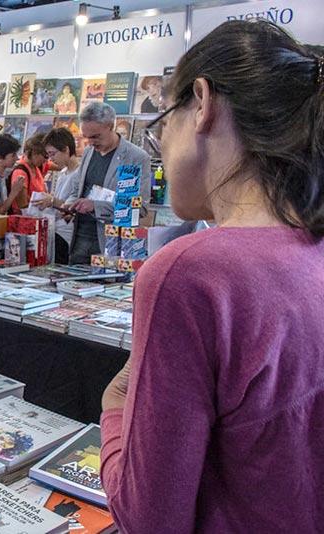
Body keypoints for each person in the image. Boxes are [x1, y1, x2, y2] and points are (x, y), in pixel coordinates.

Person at [100, 20, 324, 533]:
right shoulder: (310, 248)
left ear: (200, 103)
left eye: (162, 123)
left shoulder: (189, 274)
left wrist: (114, 410)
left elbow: (149, 518)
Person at [63, 102, 151, 264]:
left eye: (95, 136)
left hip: (112, 244)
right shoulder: (89, 152)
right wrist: (70, 206)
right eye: (86, 137)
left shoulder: (135, 157)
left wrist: (96, 206)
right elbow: (77, 190)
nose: (90, 142)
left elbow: (140, 208)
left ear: (111, 126)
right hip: (79, 240)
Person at [33, 128, 81, 263]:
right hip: (56, 229)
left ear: (66, 149)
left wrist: (52, 201)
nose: (51, 159)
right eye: (48, 155)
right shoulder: (63, 172)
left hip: (67, 233)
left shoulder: (79, 174)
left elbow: (73, 205)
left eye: (53, 154)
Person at [9, 133, 49, 213]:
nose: (46, 160)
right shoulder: (21, 172)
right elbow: (22, 205)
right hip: (25, 219)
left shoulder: (37, 167)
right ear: (35, 153)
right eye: (45, 156)